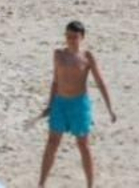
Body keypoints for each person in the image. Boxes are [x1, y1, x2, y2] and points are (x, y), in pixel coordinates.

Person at [39, 21, 116, 188]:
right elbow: (55, 82)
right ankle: (41, 184)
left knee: (83, 145)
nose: (71, 40)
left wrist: (110, 108)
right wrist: (50, 104)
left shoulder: (87, 56)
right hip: (60, 103)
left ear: (82, 37)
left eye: (74, 37)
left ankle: (90, 185)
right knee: (52, 143)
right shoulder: (58, 54)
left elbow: (100, 82)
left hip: (79, 104)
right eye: (68, 36)